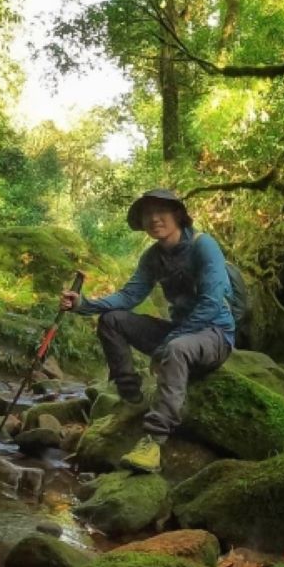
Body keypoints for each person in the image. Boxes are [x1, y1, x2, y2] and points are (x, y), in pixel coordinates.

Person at [60, 188, 234, 474]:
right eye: (147, 214)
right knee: (112, 321)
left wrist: (168, 343)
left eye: (160, 211)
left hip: (215, 334)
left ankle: (153, 442)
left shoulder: (204, 246)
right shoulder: (153, 257)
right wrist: (84, 305)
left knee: (176, 348)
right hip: (180, 332)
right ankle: (132, 399)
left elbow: (211, 304)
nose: (154, 218)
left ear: (177, 214)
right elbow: (129, 296)